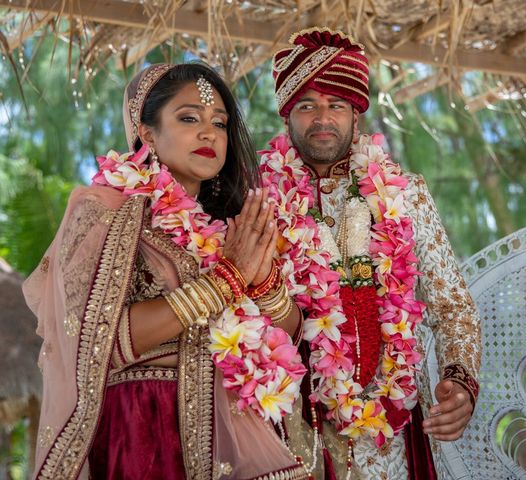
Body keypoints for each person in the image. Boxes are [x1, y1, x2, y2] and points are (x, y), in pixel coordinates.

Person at [23, 63, 309, 480]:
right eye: (189, 118)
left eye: (220, 123)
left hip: (237, 435)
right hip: (144, 431)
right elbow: (96, 342)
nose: (209, 133)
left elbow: (290, 336)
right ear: (147, 132)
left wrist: (264, 282)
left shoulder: (233, 222)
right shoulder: (107, 212)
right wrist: (227, 280)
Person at [259, 28, 482, 479]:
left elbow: (453, 307)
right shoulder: (258, 204)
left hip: (394, 440)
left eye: (336, 104)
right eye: (307, 105)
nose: (322, 117)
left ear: (356, 115)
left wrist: (460, 380)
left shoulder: (406, 195)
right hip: (294, 434)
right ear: (287, 117)